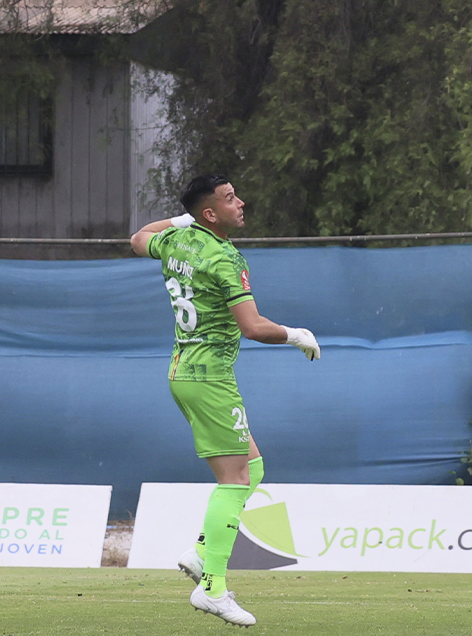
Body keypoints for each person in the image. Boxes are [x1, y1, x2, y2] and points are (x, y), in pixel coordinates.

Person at [130, 174, 321, 627]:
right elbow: (254, 327)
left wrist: (180, 218)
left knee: (252, 467)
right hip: (210, 376)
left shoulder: (177, 240)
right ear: (210, 213)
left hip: (183, 372)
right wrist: (296, 335)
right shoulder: (224, 257)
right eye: (230, 199)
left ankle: (200, 554)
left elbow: (139, 237)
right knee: (234, 479)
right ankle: (212, 587)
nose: (242, 202)